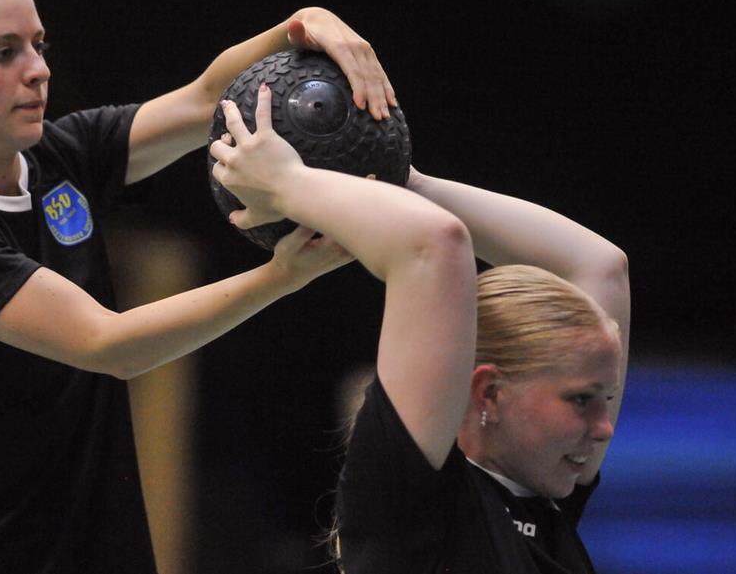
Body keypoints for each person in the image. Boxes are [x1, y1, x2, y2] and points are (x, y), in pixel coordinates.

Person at [0, 0, 398, 574]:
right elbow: (107, 342)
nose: (37, 70)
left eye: (39, 44)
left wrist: (303, 25)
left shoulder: (60, 156)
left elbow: (204, 99)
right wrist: (284, 275)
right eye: (4, 52)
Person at [210, 84, 630, 573]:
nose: (604, 428)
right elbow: (435, 243)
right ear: (489, 392)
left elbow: (602, 267)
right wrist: (284, 183)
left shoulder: (544, 500)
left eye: (606, 398)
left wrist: (400, 181)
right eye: (581, 400)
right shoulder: (415, 503)